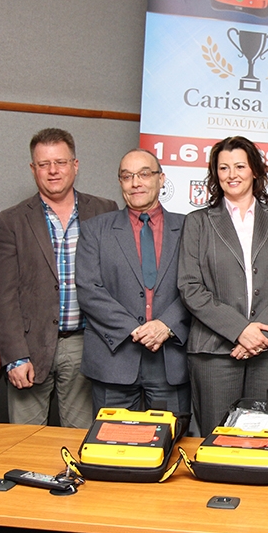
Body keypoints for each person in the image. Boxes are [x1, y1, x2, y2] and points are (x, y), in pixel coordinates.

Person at [178, 136, 268, 435]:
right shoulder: (198, 222)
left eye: (239, 166)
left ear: (255, 171)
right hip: (214, 351)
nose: (231, 174)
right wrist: (240, 330)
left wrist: (259, 334)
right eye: (223, 168)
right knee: (217, 437)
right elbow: (190, 286)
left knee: (265, 436)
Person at [0, 128, 118, 427]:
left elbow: (117, 282)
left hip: (85, 345)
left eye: (60, 162)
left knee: (79, 439)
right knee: (24, 441)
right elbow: (4, 295)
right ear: (33, 168)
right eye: (44, 164)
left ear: (75, 165)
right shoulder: (12, 220)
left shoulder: (105, 211)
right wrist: (15, 356)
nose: (53, 171)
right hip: (29, 348)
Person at [75, 150, 190, 414]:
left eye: (144, 174)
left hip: (170, 358)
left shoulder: (189, 227)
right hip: (114, 356)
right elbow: (89, 290)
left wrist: (166, 324)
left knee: (169, 436)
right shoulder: (95, 230)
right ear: (120, 183)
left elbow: (197, 286)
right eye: (127, 176)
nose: (135, 182)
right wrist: (135, 329)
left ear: (161, 179)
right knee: (112, 437)